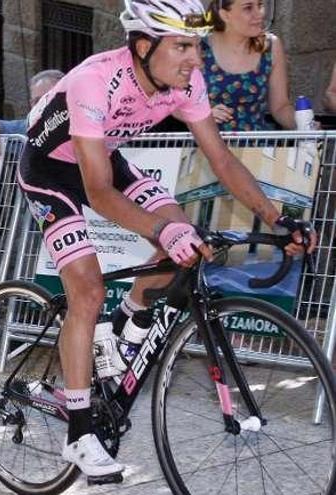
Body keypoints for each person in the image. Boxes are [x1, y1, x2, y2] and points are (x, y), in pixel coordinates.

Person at [19, 0, 315, 481]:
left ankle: (128, 322)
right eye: (181, 46)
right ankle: (79, 433)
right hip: (50, 170)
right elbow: (97, 189)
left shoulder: (186, 82)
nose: (195, 59)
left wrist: (279, 218)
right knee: (89, 290)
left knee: (186, 235)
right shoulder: (97, 80)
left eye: (196, 46)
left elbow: (221, 159)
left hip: (101, 157)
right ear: (142, 45)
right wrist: (161, 230)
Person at [200, 0, 294, 130]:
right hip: (208, 143)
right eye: (248, 8)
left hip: (257, 145)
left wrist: (303, 125)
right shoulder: (198, 48)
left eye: (260, 5)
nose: (260, 14)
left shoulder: (271, 46)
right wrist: (199, 114)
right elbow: (173, 100)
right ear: (225, 15)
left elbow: (280, 107)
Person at [0, 69, 64, 163]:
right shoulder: (27, 128)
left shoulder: (76, 130)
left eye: (49, 99)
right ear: (31, 104)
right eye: (37, 101)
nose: (42, 106)